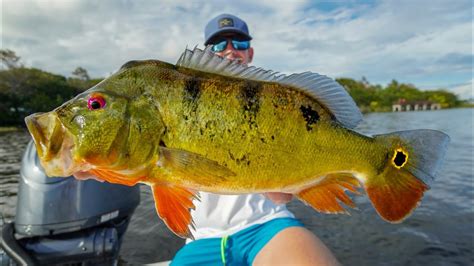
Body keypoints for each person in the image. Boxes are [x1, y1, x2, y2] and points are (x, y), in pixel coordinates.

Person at [171, 14, 340, 266]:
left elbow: (281, 199)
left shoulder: (275, 104)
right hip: (201, 237)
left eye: (238, 43)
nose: (230, 50)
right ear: (207, 53)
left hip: (267, 224)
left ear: (249, 53)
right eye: (219, 45)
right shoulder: (178, 103)